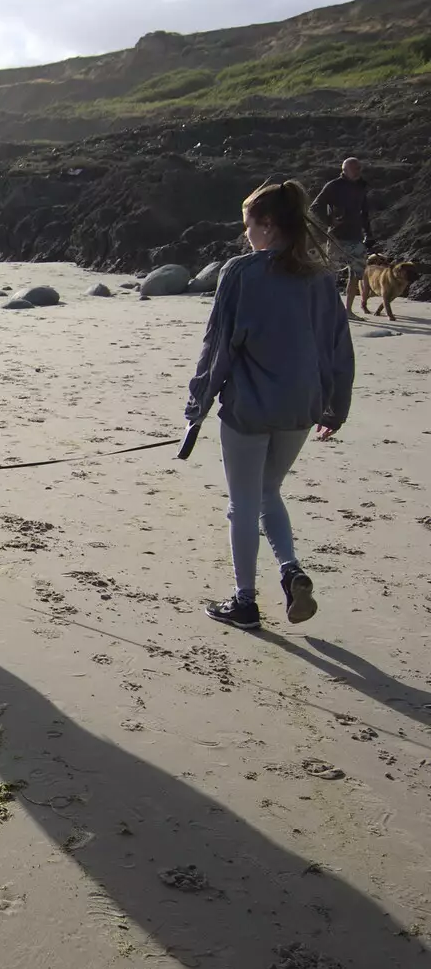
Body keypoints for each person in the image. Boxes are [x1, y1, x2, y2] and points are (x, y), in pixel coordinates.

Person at [186, 179, 355, 631]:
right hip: (301, 406)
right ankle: (290, 570)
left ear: (267, 224)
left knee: (242, 503)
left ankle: (244, 601)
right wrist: (336, 407)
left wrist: (198, 405)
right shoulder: (321, 278)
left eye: (249, 225)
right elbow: (337, 345)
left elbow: (219, 344)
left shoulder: (240, 272)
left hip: (250, 408)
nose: (246, 235)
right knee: (268, 492)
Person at [310, 158, 373, 318]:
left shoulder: (361, 186)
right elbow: (315, 207)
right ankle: (327, 310)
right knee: (330, 275)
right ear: (344, 170)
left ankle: (348, 311)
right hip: (336, 238)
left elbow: (365, 212)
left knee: (356, 274)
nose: (358, 171)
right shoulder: (334, 186)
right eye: (354, 168)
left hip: (356, 237)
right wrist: (329, 220)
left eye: (359, 167)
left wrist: (369, 234)